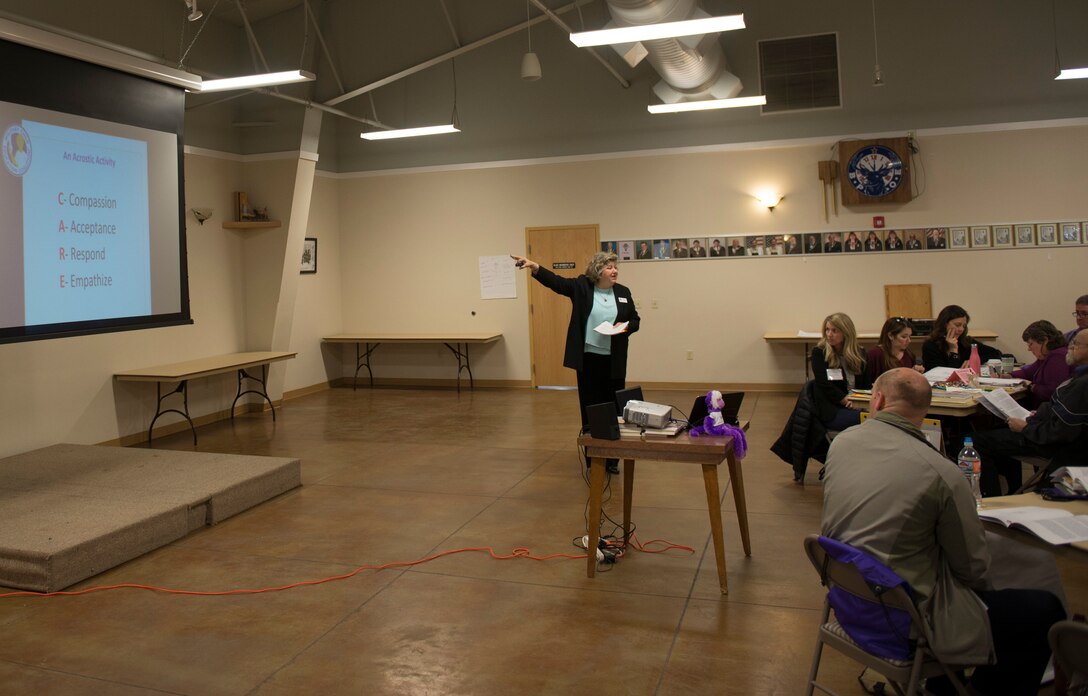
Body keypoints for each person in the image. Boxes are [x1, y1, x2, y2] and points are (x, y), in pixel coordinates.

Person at [822, 368, 1065, 696]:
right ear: (927, 408)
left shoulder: (842, 444)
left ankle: (943, 685)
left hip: (848, 599)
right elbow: (973, 569)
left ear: (877, 399)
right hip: (902, 620)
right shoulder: (942, 473)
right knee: (1043, 609)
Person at [510, 252, 640, 474]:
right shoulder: (582, 287)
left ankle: (612, 460)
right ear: (598, 270)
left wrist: (621, 328)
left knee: (614, 408)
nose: (614, 270)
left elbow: (635, 320)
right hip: (589, 358)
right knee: (591, 408)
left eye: (615, 266)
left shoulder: (623, 292)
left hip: (614, 360)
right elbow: (558, 283)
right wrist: (535, 267)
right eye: (609, 267)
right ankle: (593, 459)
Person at [974, 328, 1088, 497]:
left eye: (1076, 344)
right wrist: (1039, 414)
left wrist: (1025, 428)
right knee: (997, 432)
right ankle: (1012, 490)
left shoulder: (1082, 384)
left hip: (1052, 443)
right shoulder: (1080, 375)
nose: (1070, 347)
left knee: (977, 441)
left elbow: (1061, 433)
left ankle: (992, 501)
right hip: (1046, 429)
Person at [811, 312, 871, 431]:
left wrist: (860, 401)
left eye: (834, 331)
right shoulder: (820, 352)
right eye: (827, 330)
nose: (829, 334)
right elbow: (824, 384)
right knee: (869, 420)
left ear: (846, 332)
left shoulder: (860, 353)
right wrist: (845, 400)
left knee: (883, 417)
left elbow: (867, 384)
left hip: (858, 403)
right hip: (833, 408)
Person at [1005, 320, 1071, 408]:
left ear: (1045, 340)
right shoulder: (1046, 356)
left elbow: (1052, 392)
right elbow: (1028, 372)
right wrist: (1008, 375)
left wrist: (1033, 387)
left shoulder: (1058, 357)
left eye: (1031, 344)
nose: (1029, 349)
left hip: (1050, 412)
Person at [921, 304, 1001, 370]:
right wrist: (953, 351)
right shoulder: (930, 345)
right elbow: (947, 373)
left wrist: (974, 360)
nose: (961, 329)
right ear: (945, 324)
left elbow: (996, 353)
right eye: (957, 325)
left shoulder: (965, 341)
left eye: (964, 326)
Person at [866, 316, 923, 382]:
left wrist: (915, 373)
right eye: (904, 337)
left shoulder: (909, 354)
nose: (909, 341)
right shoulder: (875, 354)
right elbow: (866, 383)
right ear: (890, 336)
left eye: (910, 336)